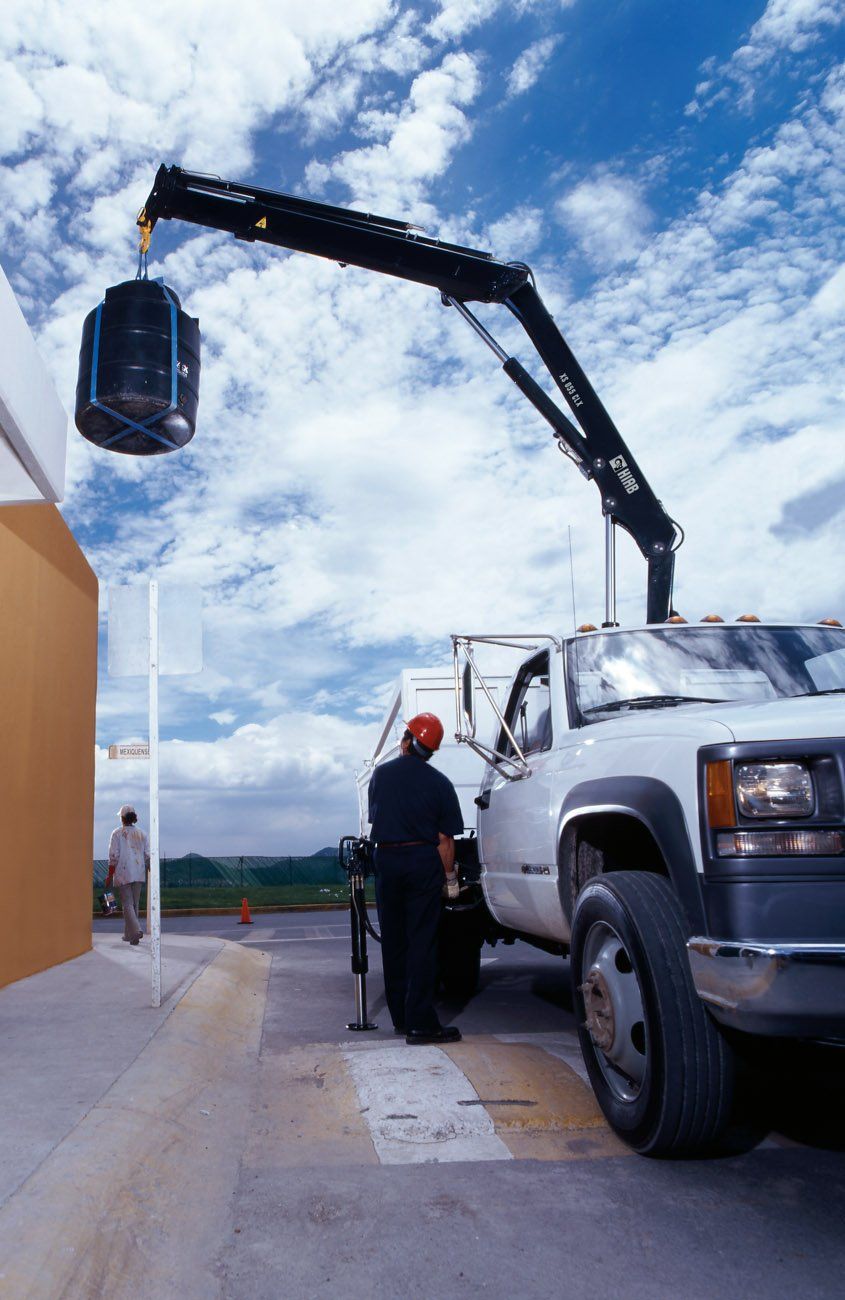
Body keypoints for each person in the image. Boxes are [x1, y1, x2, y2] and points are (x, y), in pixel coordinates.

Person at [368, 712, 464, 1045]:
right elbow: (445, 840)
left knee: (394, 941)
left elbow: (377, 818)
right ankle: (421, 1022)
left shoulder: (380, 775)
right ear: (431, 750)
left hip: (387, 860)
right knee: (422, 941)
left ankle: (400, 1018)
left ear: (407, 739)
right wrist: (450, 880)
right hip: (421, 861)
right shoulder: (439, 783)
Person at [106, 805, 150, 946]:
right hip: (139, 872)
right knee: (134, 904)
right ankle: (130, 936)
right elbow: (148, 855)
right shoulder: (142, 834)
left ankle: (136, 931)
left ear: (122, 818)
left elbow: (114, 856)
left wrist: (109, 875)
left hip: (123, 872)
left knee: (127, 905)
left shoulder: (117, 833)